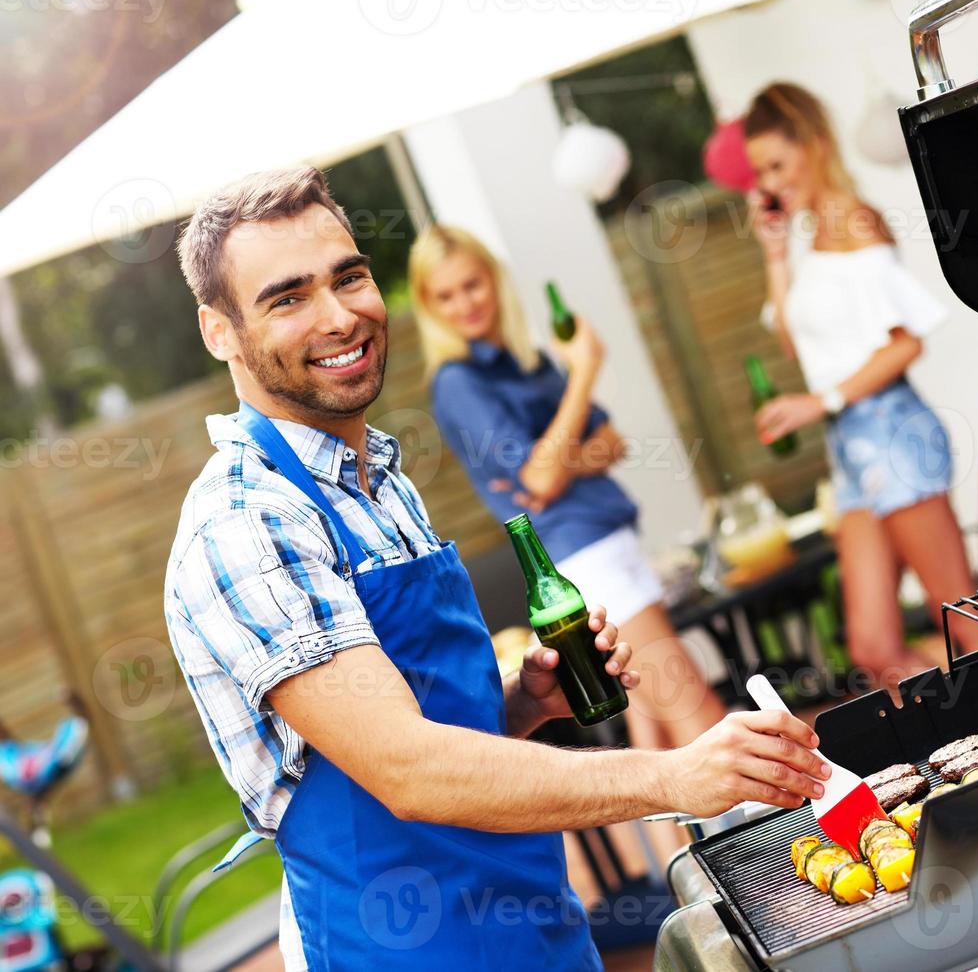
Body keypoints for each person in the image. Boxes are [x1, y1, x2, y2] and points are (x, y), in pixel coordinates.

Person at [162, 167, 828, 970]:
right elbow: (407, 769)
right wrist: (672, 777)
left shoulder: (380, 476)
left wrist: (520, 702)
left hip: (533, 922)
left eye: (350, 277)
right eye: (288, 297)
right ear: (218, 331)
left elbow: (424, 728)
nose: (340, 316)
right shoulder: (246, 524)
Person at [409, 224, 727, 750]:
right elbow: (539, 477)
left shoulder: (525, 360)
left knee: (657, 731)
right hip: (585, 559)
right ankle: (784, 834)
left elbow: (609, 442)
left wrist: (559, 463)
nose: (464, 303)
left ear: (495, 280)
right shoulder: (458, 382)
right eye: (445, 295)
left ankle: (692, 835)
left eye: (473, 284)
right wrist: (584, 372)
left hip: (610, 539)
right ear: (427, 305)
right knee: (699, 715)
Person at [744, 83, 978, 685]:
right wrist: (774, 255)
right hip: (851, 454)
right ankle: (967, 737)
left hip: (891, 433)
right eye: (760, 173)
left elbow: (906, 342)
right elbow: (799, 348)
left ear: (816, 144)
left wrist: (821, 401)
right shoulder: (809, 238)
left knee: (965, 621)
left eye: (778, 164)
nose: (770, 184)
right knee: (873, 648)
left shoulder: (852, 220)